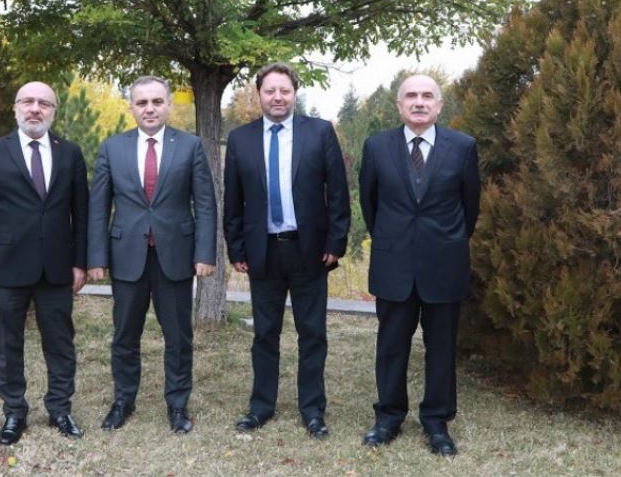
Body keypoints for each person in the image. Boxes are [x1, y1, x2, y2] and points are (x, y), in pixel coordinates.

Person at [224, 62, 350, 439]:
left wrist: (336, 241)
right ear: (259, 95)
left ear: (295, 93)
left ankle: (312, 410)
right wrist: (236, 248)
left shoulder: (320, 132)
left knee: (312, 333)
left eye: (284, 90)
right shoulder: (240, 139)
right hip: (263, 252)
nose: (277, 97)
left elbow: (337, 192)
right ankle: (261, 406)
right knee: (265, 333)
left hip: (309, 250)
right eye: (270, 91)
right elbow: (233, 200)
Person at [358, 74, 480, 456]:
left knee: (441, 348)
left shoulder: (463, 147)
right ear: (399, 105)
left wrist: (444, 241)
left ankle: (437, 421)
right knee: (391, 346)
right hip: (393, 265)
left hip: (444, 264)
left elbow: (470, 208)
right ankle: (388, 417)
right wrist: (393, 240)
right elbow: (369, 204)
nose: (419, 101)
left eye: (428, 95)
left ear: (440, 105)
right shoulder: (377, 147)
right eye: (411, 95)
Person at [88, 76, 217, 435]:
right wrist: (96, 257)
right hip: (126, 256)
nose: (149, 109)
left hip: (175, 257)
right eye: (142, 102)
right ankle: (123, 401)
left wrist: (205, 253)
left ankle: (177, 404)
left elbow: (205, 203)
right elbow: (98, 206)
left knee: (178, 338)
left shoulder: (190, 146)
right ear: (131, 106)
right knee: (124, 336)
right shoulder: (112, 147)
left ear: (168, 105)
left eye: (157, 102)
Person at [0, 81, 88, 445]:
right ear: (16, 107)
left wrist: (80, 263)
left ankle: (60, 409)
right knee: (7, 346)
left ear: (53, 111)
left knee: (61, 344)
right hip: (5, 269)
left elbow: (81, 215)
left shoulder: (70, 153)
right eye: (28, 101)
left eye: (44, 103)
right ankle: (14, 413)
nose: (35, 108)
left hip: (57, 269)